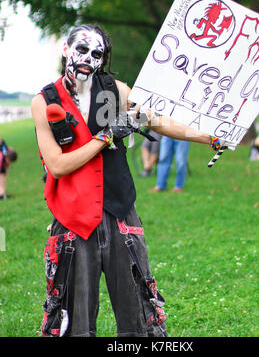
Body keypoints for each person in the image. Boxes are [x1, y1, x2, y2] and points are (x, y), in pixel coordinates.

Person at [31, 23, 220, 338]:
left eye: (96, 54)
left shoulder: (117, 91)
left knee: (138, 318)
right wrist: (107, 135)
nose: (86, 58)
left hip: (120, 212)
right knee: (72, 322)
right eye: (81, 49)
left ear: (102, 60)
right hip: (73, 218)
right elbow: (58, 165)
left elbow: (156, 120)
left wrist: (209, 136)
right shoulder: (44, 101)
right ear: (65, 49)